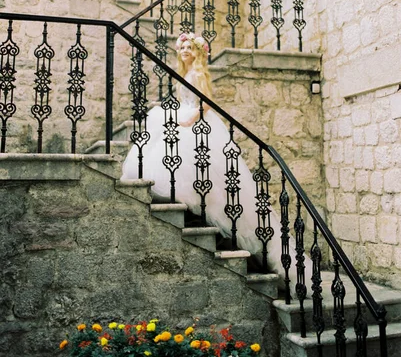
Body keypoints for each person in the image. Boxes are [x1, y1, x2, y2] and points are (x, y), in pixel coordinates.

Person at [121, 32, 312, 294]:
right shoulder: (185, 73)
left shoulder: (198, 74)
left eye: (190, 46)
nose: (185, 49)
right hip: (188, 119)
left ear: (198, 52)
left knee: (212, 178)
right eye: (183, 46)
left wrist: (188, 121)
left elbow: (205, 104)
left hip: (199, 124)